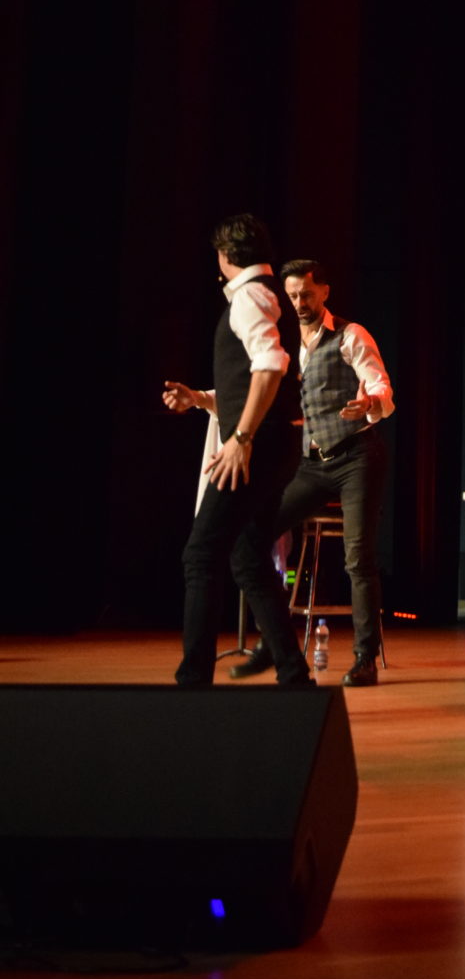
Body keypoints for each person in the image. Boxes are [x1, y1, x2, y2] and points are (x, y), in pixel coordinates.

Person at [163, 213, 314, 688]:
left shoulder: (249, 296)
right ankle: (293, 673)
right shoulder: (266, 295)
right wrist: (199, 399)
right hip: (275, 443)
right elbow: (253, 381)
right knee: (248, 556)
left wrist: (241, 438)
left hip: (259, 445)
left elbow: (270, 366)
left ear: (226, 255)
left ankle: (193, 681)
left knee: (200, 554)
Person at [229, 256, 394, 688]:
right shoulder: (285, 344)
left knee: (358, 558)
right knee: (252, 535)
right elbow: (256, 392)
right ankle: (274, 639)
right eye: (292, 296)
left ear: (324, 292)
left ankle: (364, 658)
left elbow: (381, 385)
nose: (299, 303)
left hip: (357, 456)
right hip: (312, 464)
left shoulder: (350, 335)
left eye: (306, 294)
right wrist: (203, 399)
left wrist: (370, 403)